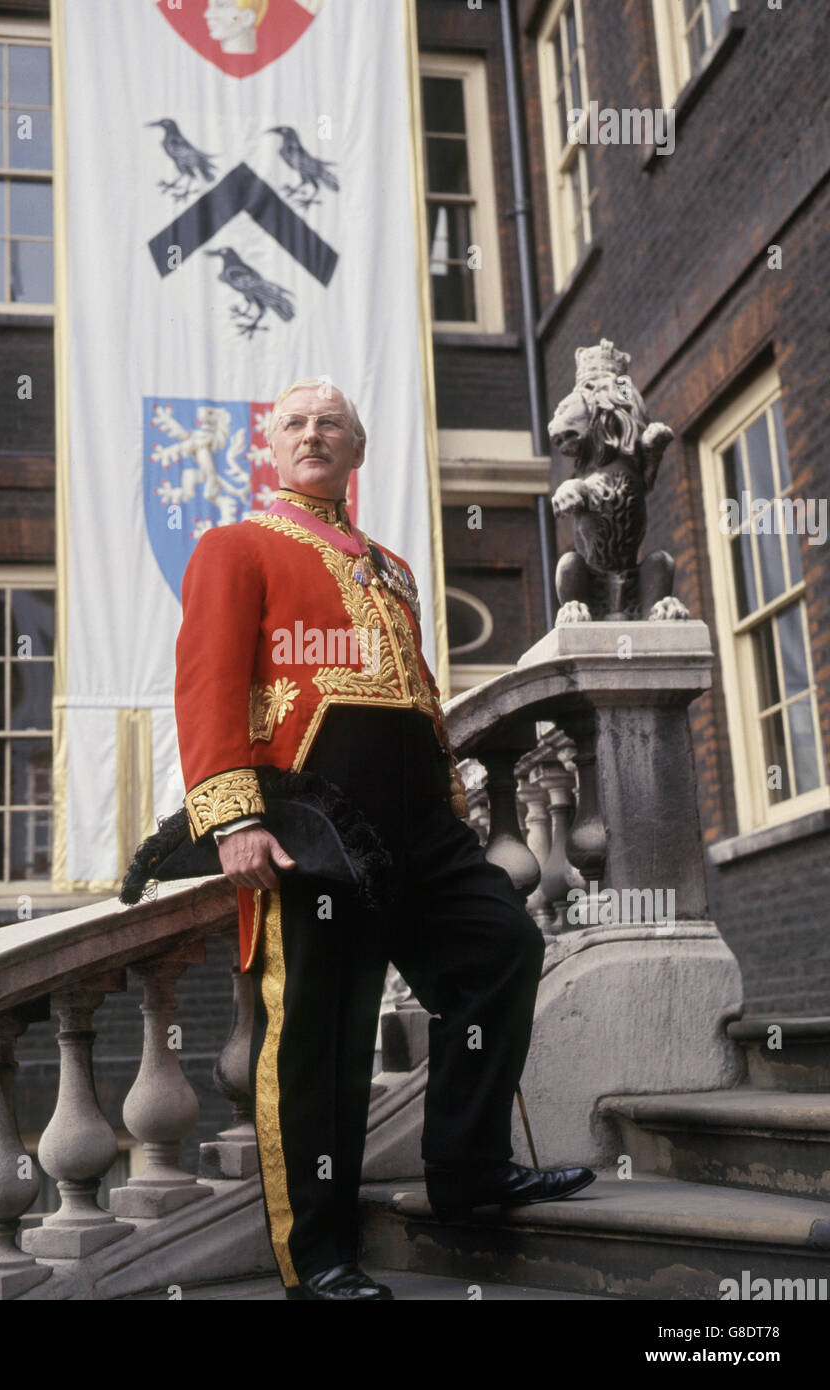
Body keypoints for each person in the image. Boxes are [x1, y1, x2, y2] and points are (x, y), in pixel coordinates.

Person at [174, 377, 595, 1301]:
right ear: (270, 449)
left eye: (331, 423)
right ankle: (318, 1254)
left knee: (502, 948)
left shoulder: (392, 567)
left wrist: (451, 797)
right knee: (323, 1033)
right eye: (294, 423)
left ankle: (469, 1175)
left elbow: (419, 691)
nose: (313, 433)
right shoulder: (235, 546)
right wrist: (233, 813)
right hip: (315, 823)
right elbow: (207, 683)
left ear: (355, 452)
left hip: (423, 824)